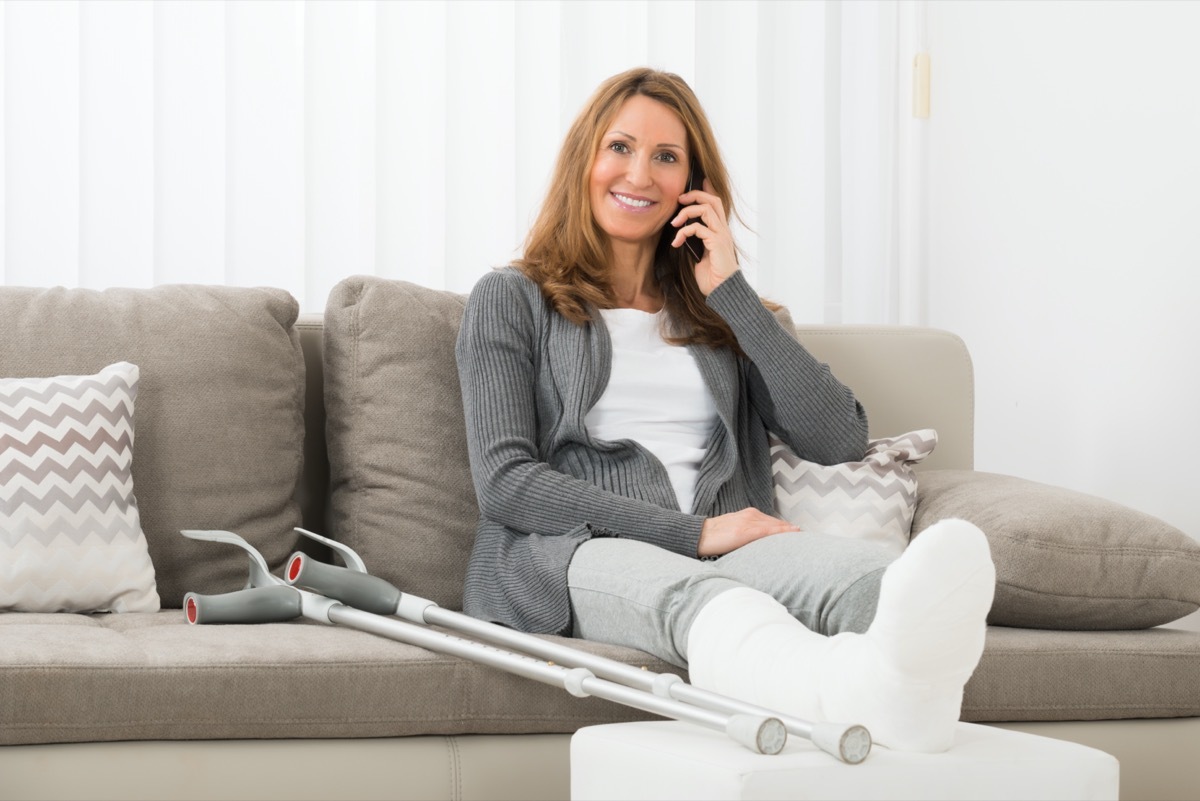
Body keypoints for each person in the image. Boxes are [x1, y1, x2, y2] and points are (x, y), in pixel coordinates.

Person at [455, 67, 995, 752]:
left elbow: (838, 436)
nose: (640, 174)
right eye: (620, 147)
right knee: (704, 600)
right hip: (571, 553)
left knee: (874, 588)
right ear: (583, 160)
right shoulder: (510, 298)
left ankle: (902, 706)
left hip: (725, 553)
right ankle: (864, 702)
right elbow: (506, 482)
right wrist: (695, 532)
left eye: (667, 157)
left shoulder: (724, 314)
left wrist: (732, 292)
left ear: (694, 188)